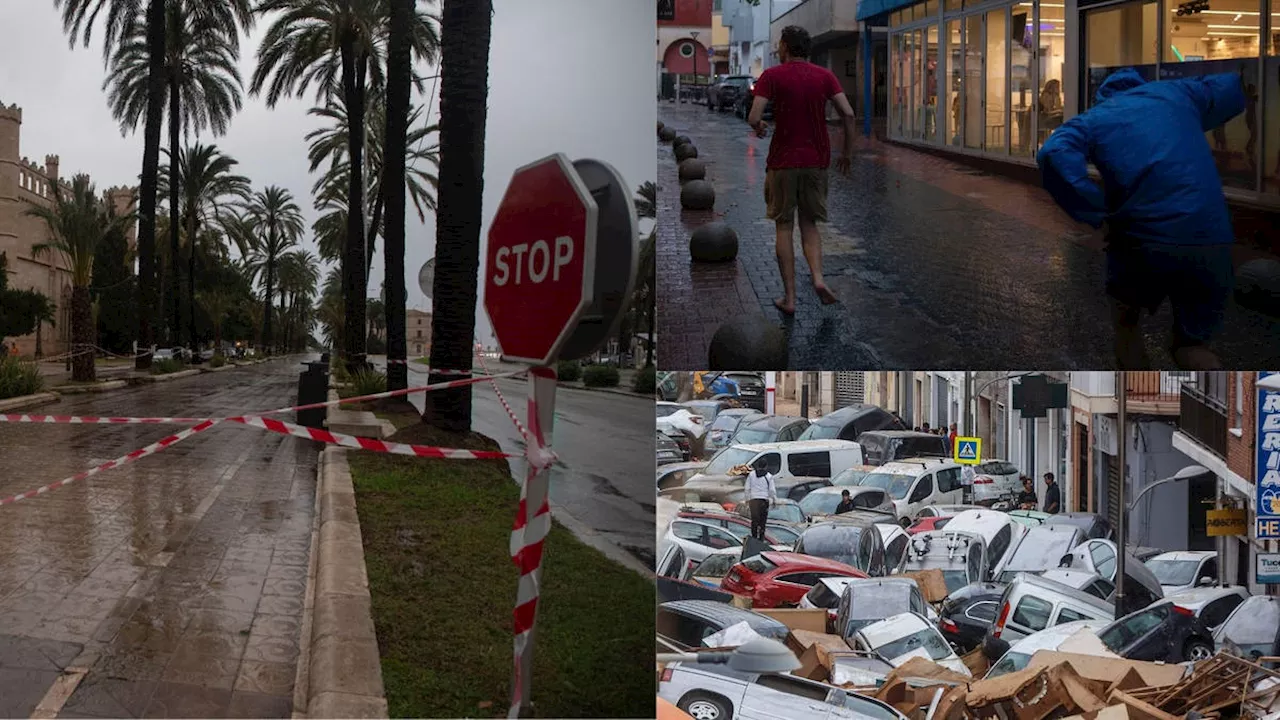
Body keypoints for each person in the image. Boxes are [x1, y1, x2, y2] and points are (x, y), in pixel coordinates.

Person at [1036, 68, 1245, 370]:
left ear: (1103, 97)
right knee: (1191, 346)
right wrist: (1188, 115)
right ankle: (1221, 404)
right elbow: (1228, 83)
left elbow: (1052, 154)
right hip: (1211, 239)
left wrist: (1095, 210)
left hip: (1142, 238)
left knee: (1126, 323)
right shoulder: (1178, 95)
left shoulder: (1094, 119)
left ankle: (1135, 393)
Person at [747, 25, 858, 316]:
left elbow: (754, 115)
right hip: (815, 162)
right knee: (810, 224)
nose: (777, 48)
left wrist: (759, 126)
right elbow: (848, 113)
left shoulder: (772, 76)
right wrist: (846, 153)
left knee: (784, 226)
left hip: (783, 162)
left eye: (779, 44)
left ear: (785, 46)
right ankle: (819, 279)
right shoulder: (824, 76)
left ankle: (790, 298)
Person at [745, 457, 778, 541]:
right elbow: (771, 490)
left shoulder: (751, 475)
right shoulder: (769, 476)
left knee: (754, 521)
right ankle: (761, 539)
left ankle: (753, 538)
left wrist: (747, 499)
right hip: (763, 500)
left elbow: (747, 488)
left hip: (753, 501)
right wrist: (774, 500)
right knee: (762, 522)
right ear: (766, 466)